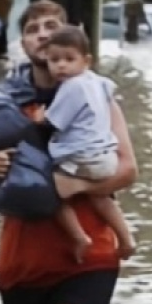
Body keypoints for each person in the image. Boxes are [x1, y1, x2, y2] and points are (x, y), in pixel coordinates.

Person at [0, 0, 138, 304]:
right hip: (24, 256)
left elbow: (128, 170)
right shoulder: (3, 103)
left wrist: (78, 185)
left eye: (51, 26)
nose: (42, 34)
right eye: (32, 29)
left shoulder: (98, 98)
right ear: (23, 43)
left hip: (90, 250)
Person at [30, 25, 136, 263]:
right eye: (55, 60)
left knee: (52, 193)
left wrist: (39, 118)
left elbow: (54, 122)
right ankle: (126, 237)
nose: (61, 66)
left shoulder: (71, 87)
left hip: (81, 157)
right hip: (105, 157)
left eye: (69, 59)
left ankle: (79, 237)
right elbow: (110, 90)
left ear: (86, 60)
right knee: (101, 197)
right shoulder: (96, 82)